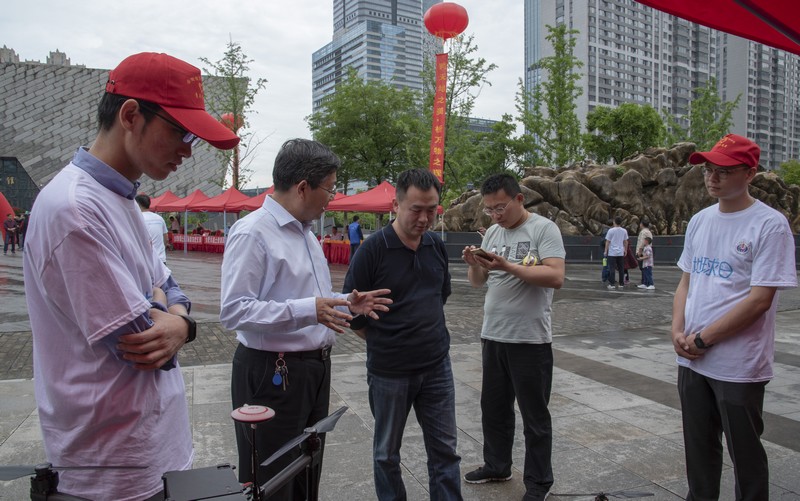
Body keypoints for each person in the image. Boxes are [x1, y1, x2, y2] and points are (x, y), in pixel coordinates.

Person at [22, 51, 241, 501]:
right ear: (130, 115)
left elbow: (170, 287)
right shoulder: (75, 209)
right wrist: (178, 320)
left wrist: (173, 316)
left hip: (150, 445)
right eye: (181, 132)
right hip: (110, 464)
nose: (187, 149)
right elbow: (141, 343)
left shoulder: (120, 198)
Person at [220, 138, 392, 501]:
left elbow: (311, 298)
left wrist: (347, 304)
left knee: (306, 468)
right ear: (302, 188)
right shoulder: (253, 233)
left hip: (313, 369)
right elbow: (235, 310)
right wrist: (308, 309)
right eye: (329, 189)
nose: (332, 198)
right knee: (272, 476)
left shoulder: (306, 233)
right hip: (273, 372)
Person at [672, 134, 796, 501]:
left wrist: (704, 338)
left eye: (724, 171)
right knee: (698, 449)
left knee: (745, 452)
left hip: (738, 363)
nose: (713, 178)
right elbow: (685, 282)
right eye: (709, 170)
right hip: (691, 359)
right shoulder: (700, 221)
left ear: (750, 173)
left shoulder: (769, 224)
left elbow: (759, 300)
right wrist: (676, 330)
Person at [343, 168, 462, 501]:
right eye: (416, 209)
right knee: (386, 454)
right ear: (396, 205)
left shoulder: (435, 246)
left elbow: (439, 296)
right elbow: (352, 311)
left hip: (437, 367)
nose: (424, 218)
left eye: (431, 210)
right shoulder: (372, 251)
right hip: (389, 373)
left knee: (445, 451)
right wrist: (387, 342)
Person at [461, 173, 566, 501]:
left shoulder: (543, 229)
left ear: (520, 199)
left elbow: (555, 276)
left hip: (530, 340)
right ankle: (497, 465)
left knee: (535, 416)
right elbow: (478, 282)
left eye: (500, 207)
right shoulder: (493, 232)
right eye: (489, 209)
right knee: (493, 408)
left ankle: (538, 482)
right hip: (493, 335)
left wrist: (508, 266)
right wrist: (474, 264)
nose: (495, 215)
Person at [136, 193, 169, 264]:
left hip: (145, 260)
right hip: (161, 259)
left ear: (138, 204)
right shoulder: (159, 218)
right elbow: (166, 238)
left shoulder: (137, 218)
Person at [604, 216, 627, 289]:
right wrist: (625, 250)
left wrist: (605, 251)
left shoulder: (611, 231)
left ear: (614, 222)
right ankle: (621, 283)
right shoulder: (624, 231)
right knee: (621, 268)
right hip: (620, 252)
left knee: (612, 268)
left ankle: (612, 284)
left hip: (612, 252)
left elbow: (607, 241)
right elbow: (625, 241)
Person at [635, 220, 653, 285]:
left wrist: (639, 251)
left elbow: (642, 242)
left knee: (643, 268)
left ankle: (646, 282)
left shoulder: (643, 232)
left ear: (642, 224)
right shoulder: (649, 232)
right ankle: (644, 282)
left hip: (643, 252)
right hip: (647, 251)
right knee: (644, 268)